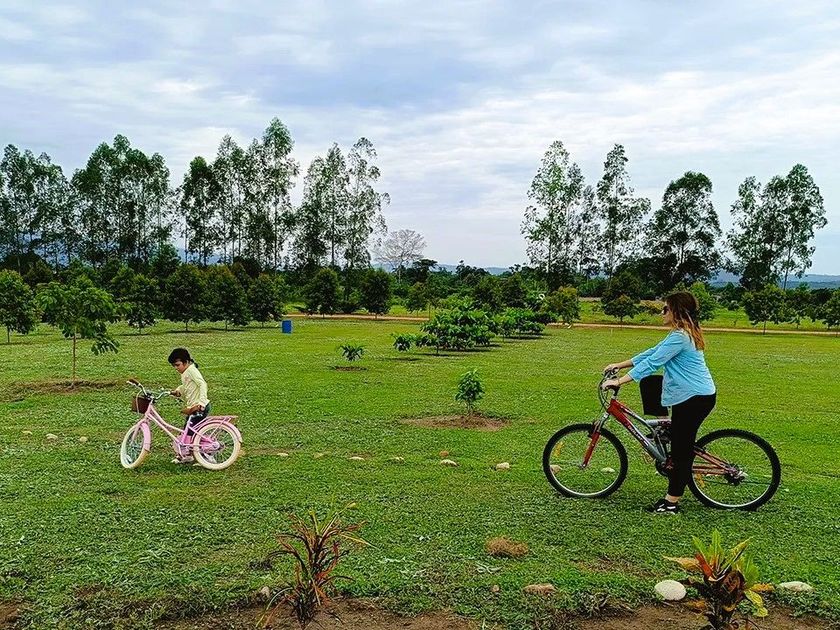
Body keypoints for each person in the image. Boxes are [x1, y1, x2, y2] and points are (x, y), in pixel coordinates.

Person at [601, 292, 716, 514]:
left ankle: (671, 503)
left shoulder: (681, 337)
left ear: (677, 312)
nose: (662, 313)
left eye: (665, 309)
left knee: (681, 453)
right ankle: (667, 430)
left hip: (694, 399)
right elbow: (652, 352)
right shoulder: (680, 334)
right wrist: (620, 365)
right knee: (652, 386)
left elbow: (653, 362)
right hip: (691, 395)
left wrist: (619, 381)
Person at [168, 348, 210, 463]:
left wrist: (201, 402)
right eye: (174, 366)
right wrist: (178, 391)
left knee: (193, 432)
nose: (176, 368)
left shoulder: (191, 370)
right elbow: (187, 386)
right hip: (192, 408)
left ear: (186, 362)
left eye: (178, 365)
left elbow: (202, 384)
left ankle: (205, 455)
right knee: (189, 430)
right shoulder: (185, 372)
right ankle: (188, 454)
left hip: (199, 407)